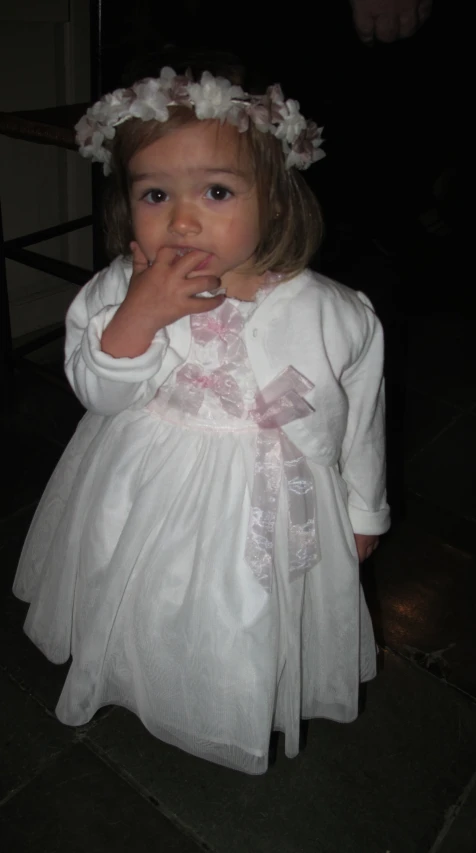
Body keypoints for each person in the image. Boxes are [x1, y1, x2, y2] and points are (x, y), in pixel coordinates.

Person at [13, 64, 390, 775]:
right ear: (128, 207)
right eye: (155, 194)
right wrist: (138, 317)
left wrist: (363, 507)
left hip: (271, 500)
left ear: (275, 200)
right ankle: (145, 668)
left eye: (216, 191)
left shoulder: (335, 310)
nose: (183, 219)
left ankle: (229, 693)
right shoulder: (121, 289)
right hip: (148, 478)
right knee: (146, 588)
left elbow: (360, 415)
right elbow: (99, 389)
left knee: (243, 609)